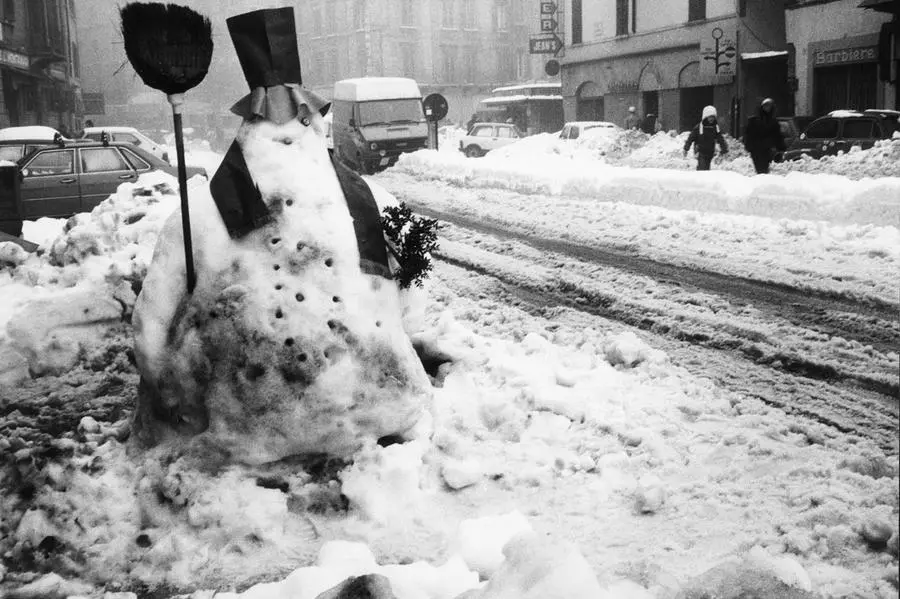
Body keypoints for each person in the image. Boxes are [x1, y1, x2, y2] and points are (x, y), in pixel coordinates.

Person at [743, 97, 786, 174]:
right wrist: (749, 146)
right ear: (762, 107)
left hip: (767, 149)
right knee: (760, 169)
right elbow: (748, 134)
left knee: (764, 170)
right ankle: (760, 184)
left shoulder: (774, 122)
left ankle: (763, 184)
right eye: (766, 106)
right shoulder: (754, 121)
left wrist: (781, 148)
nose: (768, 108)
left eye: (769, 106)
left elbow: (778, 136)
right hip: (756, 150)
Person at [683, 105, 728, 171]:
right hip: (700, 151)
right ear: (705, 117)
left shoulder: (715, 127)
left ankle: (702, 179)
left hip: (710, 151)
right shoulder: (699, 127)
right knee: (702, 168)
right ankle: (699, 179)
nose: (711, 119)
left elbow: (720, 138)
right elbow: (691, 138)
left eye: (713, 117)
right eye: (710, 117)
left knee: (706, 169)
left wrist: (724, 149)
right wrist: (686, 148)